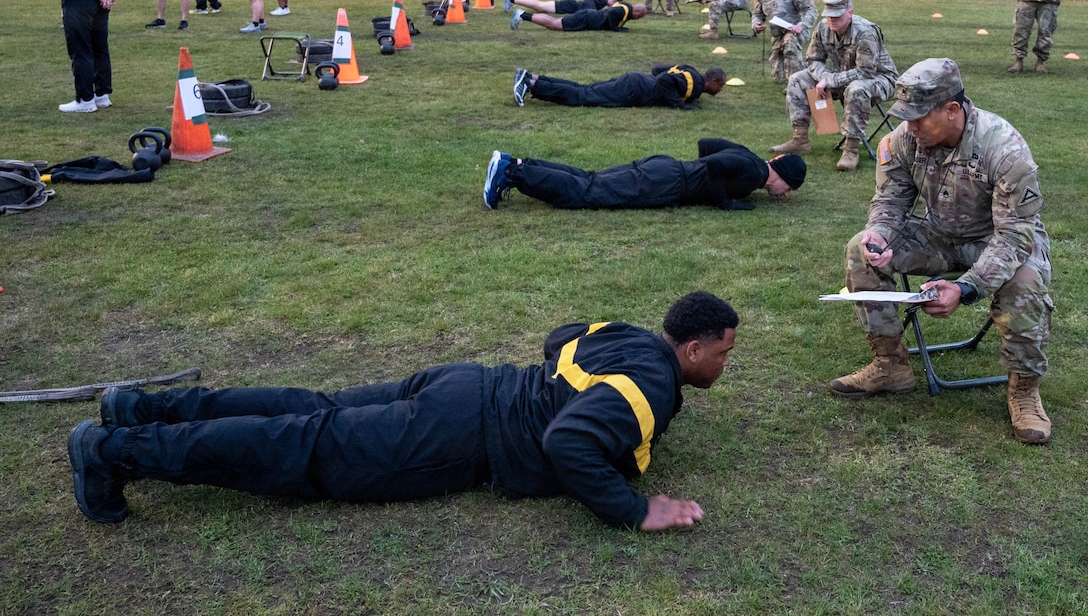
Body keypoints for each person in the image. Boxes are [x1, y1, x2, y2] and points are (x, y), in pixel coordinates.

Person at [68, 292, 738, 531]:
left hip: (463, 384)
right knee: (304, 446)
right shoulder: (651, 388)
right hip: (458, 434)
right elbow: (568, 442)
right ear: (693, 346)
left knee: (311, 409)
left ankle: (139, 406)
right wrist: (632, 507)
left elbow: (560, 337)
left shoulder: (626, 333)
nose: (724, 366)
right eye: (724, 354)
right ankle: (109, 452)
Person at [830, 58, 1054, 445]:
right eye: (906, 118)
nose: (910, 128)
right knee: (858, 251)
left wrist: (966, 288)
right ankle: (890, 366)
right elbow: (890, 201)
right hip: (937, 237)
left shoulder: (1004, 149)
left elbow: (1015, 237)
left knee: (1026, 280)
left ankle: (1024, 388)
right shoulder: (903, 140)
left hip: (997, 241)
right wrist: (880, 234)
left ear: (953, 110)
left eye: (919, 118)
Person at [482, 139, 805, 211]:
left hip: (663, 167)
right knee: (588, 193)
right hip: (665, 183)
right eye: (788, 188)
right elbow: (713, 166)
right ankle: (512, 173)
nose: (784, 193)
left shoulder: (747, 156)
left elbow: (707, 146)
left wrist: (696, 177)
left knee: (590, 178)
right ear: (783, 177)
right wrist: (722, 201)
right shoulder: (753, 173)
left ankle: (521, 163)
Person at [775, 0, 898, 172]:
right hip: (842, 76)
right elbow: (813, 60)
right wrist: (826, 78)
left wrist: (830, 81)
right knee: (797, 79)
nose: (831, 20)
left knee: (856, 89)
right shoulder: (823, 28)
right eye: (828, 15)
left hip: (880, 79)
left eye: (837, 16)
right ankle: (800, 138)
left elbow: (865, 72)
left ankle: (851, 149)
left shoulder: (866, 32)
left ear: (850, 12)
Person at [512, 65, 725, 109]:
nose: (721, 90)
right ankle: (531, 86)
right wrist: (678, 104)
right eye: (721, 86)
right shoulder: (694, 85)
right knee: (583, 96)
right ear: (712, 81)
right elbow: (663, 81)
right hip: (633, 91)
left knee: (583, 88)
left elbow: (657, 69)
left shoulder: (691, 71)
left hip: (635, 80)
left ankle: (532, 77)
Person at [750, 0, 817, 85]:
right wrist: (756, 24)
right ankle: (807, 72)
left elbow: (811, 10)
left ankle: (796, 84)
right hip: (777, 34)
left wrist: (802, 25)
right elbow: (757, 14)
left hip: (795, 31)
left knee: (789, 45)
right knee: (778, 76)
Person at [510, 1, 646, 33]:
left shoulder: (625, 7)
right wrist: (615, 28)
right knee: (554, 25)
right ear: (637, 11)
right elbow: (612, 13)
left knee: (555, 23)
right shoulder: (624, 10)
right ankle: (523, 15)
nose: (638, 19)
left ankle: (523, 16)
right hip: (586, 18)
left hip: (587, 16)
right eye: (640, 17)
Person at [502, 0, 622, 15]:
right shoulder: (603, 0)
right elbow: (588, 1)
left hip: (570, 5)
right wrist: (593, 13)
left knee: (540, 7)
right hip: (569, 6)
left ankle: (512, 0)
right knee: (540, 5)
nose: (611, 6)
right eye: (613, 3)